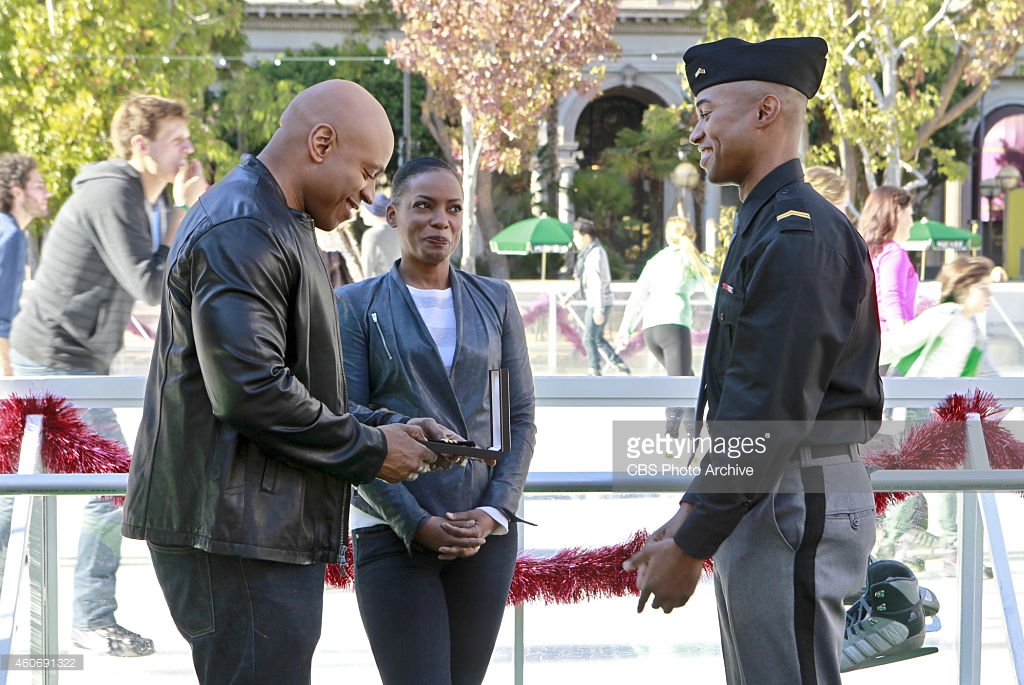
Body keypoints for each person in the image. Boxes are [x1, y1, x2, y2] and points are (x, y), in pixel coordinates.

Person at [122, 80, 455, 685]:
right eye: (368, 171)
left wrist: (384, 427)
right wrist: (375, 450)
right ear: (321, 142)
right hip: (234, 534)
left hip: (250, 528)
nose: (372, 195)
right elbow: (249, 390)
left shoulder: (275, 219)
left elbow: (292, 382)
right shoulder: (244, 225)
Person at [623, 37, 883, 684]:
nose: (695, 129)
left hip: (792, 492)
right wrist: (691, 515)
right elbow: (745, 394)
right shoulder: (769, 221)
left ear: (767, 110)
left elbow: (769, 407)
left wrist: (692, 540)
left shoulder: (797, 232)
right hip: (770, 491)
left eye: (706, 110)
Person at [6, 94, 208, 657]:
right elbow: (151, 285)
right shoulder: (114, 191)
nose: (187, 148)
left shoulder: (130, 196)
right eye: (176, 139)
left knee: (26, 493)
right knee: (111, 483)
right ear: (141, 147)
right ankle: (90, 618)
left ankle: (83, 615)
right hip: (55, 360)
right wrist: (186, 214)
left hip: (63, 358)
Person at [336, 156, 536, 685]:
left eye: (452, 209)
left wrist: (496, 509)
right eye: (423, 206)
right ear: (393, 214)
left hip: (483, 535)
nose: (439, 220)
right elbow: (347, 421)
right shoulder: (354, 305)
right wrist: (413, 521)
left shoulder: (495, 300)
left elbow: (517, 416)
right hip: (391, 529)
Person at [877, 255, 997, 569]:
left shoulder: (974, 330)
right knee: (911, 480)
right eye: (983, 288)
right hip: (914, 409)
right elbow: (897, 345)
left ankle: (942, 547)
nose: (989, 296)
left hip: (940, 412)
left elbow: (992, 379)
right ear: (963, 288)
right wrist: (852, 359)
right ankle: (896, 545)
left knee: (945, 479)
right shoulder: (944, 316)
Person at [615, 215, 715, 437]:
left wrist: (625, 330)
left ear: (668, 237)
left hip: (651, 330)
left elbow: (637, 297)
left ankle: (687, 440)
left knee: (685, 379)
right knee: (682, 388)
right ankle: (678, 440)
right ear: (692, 235)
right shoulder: (692, 259)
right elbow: (714, 295)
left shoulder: (655, 260)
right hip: (674, 327)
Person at [0, 153, 50, 376]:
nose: (46, 193)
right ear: (17, 193)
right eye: (39, 186)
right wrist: (8, 372)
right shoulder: (11, 236)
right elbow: (2, 315)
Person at [857, 185, 918, 351]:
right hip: (887, 344)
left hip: (864, 341)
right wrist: (903, 341)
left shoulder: (863, 250)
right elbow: (892, 298)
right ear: (897, 212)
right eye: (910, 215)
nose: (912, 223)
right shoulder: (893, 253)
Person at [572, 217, 630, 376]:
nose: (574, 240)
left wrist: (599, 310)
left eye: (576, 236)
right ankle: (620, 365)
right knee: (596, 338)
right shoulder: (588, 254)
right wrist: (570, 296)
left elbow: (596, 283)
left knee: (588, 338)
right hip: (597, 301)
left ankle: (594, 369)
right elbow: (585, 282)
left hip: (599, 302)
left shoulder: (595, 254)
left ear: (585, 236)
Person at [359, 191, 401, 278]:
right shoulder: (402, 230)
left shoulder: (372, 235)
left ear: (372, 211)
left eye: (363, 209)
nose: (361, 215)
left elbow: (367, 272)